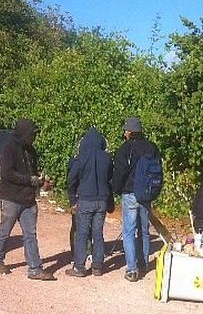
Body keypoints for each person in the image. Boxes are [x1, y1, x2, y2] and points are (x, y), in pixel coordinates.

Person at [0, 119, 55, 281]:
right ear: (23, 134)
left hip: (28, 200)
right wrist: (30, 180)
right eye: (32, 134)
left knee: (30, 234)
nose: (34, 138)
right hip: (11, 198)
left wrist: (42, 181)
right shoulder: (9, 149)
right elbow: (7, 173)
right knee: (5, 231)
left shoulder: (31, 150)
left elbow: (33, 172)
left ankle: (35, 268)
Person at [112, 116, 161, 282]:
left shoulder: (125, 149)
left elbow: (120, 173)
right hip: (147, 194)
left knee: (129, 231)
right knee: (144, 231)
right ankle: (144, 264)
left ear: (128, 132)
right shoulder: (152, 147)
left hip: (130, 193)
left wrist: (116, 189)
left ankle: (132, 269)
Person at [65, 127, 113, 277]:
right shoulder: (107, 158)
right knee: (98, 233)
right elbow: (109, 179)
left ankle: (79, 267)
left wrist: (73, 199)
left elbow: (71, 179)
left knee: (82, 233)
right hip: (101, 201)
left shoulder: (81, 157)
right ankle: (97, 266)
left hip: (85, 199)